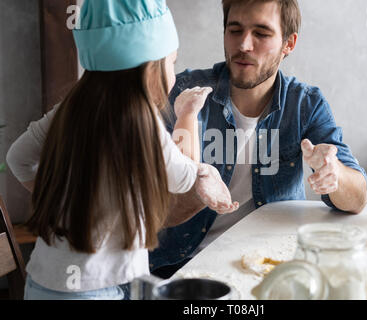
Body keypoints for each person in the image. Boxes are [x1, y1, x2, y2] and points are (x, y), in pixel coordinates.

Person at [6, 0, 238, 300]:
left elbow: (17, 157)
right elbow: (182, 180)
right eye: (172, 62)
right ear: (151, 68)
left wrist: (55, 195)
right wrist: (188, 119)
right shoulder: (142, 121)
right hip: (94, 290)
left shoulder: (70, 107)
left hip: (41, 282)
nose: (173, 72)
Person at [149, 0, 367, 278]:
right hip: (181, 266)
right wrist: (197, 188)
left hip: (271, 266)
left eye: (261, 34)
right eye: (235, 30)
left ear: (289, 44)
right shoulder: (183, 93)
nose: (244, 45)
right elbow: (153, 213)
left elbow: (358, 198)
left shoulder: (305, 104)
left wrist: (333, 174)